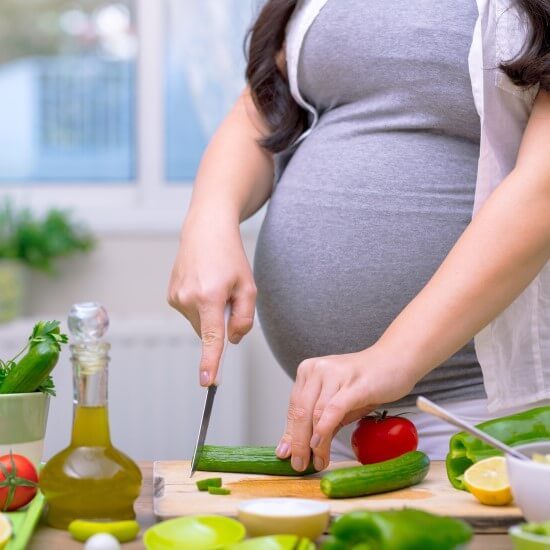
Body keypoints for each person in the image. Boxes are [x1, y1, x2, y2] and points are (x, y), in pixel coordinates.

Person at [168, 0, 550, 471]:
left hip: (485, 423)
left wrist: (392, 357)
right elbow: (262, 107)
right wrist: (208, 218)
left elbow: (543, 186)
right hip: (337, 426)